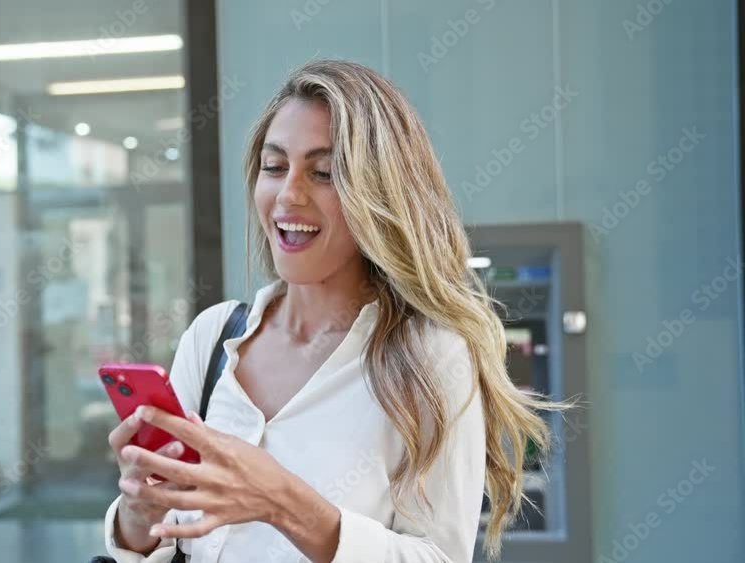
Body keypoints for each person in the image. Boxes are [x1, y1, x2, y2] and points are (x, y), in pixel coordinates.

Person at [102, 59, 560, 563]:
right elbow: (165, 543)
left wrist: (284, 502)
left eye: (324, 173)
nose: (289, 194)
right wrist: (140, 514)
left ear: (381, 193)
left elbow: (439, 557)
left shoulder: (431, 357)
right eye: (274, 167)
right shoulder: (213, 337)